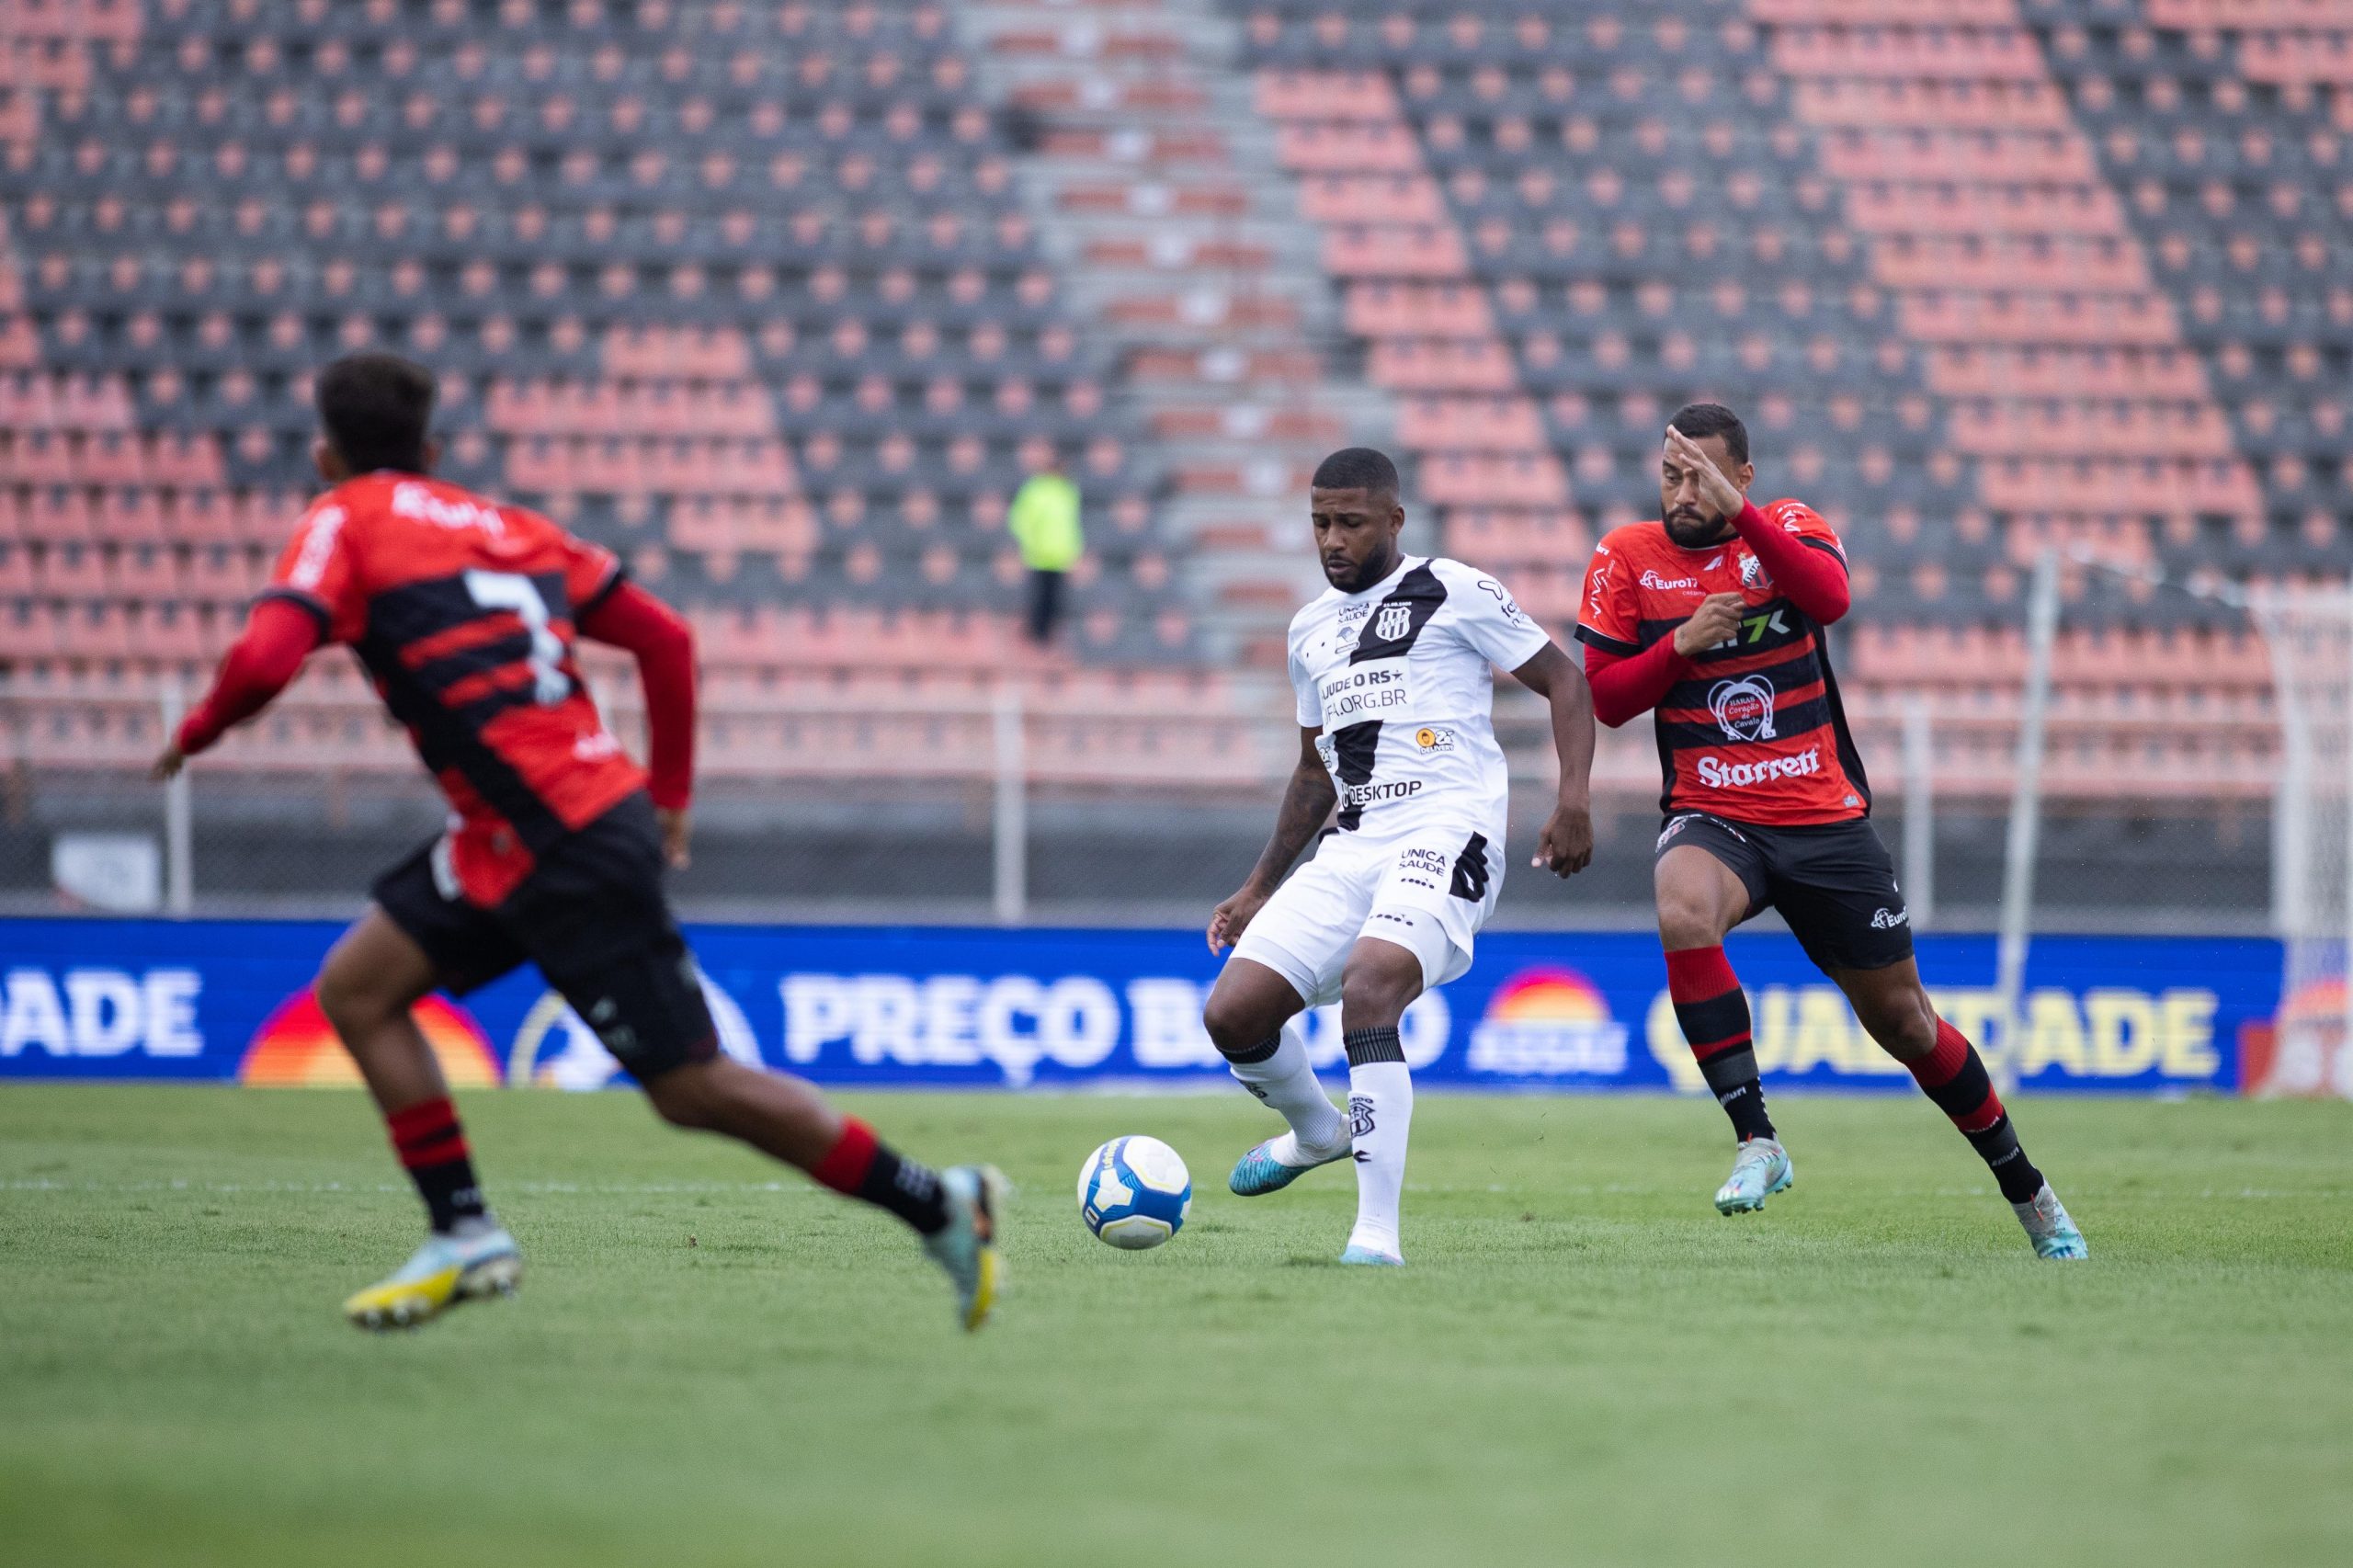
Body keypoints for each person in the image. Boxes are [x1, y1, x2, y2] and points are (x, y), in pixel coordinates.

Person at [153, 353, 1006, 1329]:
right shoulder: (514, 529)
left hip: (560, 836)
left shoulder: (343, 517)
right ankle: (465, 1229)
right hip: (525, 833)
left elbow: (266, 655)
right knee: (358, 987)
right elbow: (665, 639)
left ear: (324, 454)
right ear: (430, 450)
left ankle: (938, 1200)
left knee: (693, 1087)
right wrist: (671, 795)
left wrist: (194, 732)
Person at [1574, 403, 2086, 1258]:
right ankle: (1757, 1141)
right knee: (1680, 910)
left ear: (1742, 476)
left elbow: (1830, 598)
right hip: (1715, 811)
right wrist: (1684, 647)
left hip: (1822, 820)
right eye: (1670, 474)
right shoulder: (1625, 557)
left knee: (1907, 1026)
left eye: (1700, 475)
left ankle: (2029, 1192)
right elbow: (1609, 698)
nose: (1682, 491)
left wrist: (1743, 523)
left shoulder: (1788, 527)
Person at [1200, 447, 1597, 1266]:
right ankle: (1317, 1133)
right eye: (1320, 523)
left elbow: (1567, 681)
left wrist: (1573, 799)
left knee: (1371, 985)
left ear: (1393, 520)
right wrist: (1255, 888)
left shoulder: (1455, 589)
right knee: (1232, 1015)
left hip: (1447, 826)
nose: (1333, 540)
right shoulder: (1308, 629)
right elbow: (1314, 773)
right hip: (1353, 844)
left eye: (1350, 522)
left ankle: (1374, 1235)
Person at [1006, 455, 1081, 645]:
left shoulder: (1067, 491)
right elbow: (1020, 520)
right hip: (1038, 555)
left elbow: (1071, 524)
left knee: (1055, 601)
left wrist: (1074, 550)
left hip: (1060, 556)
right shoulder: (1035, 490)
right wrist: (1030, 544)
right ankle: (1035, 639)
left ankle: (1046, 640)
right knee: (1038, 599)